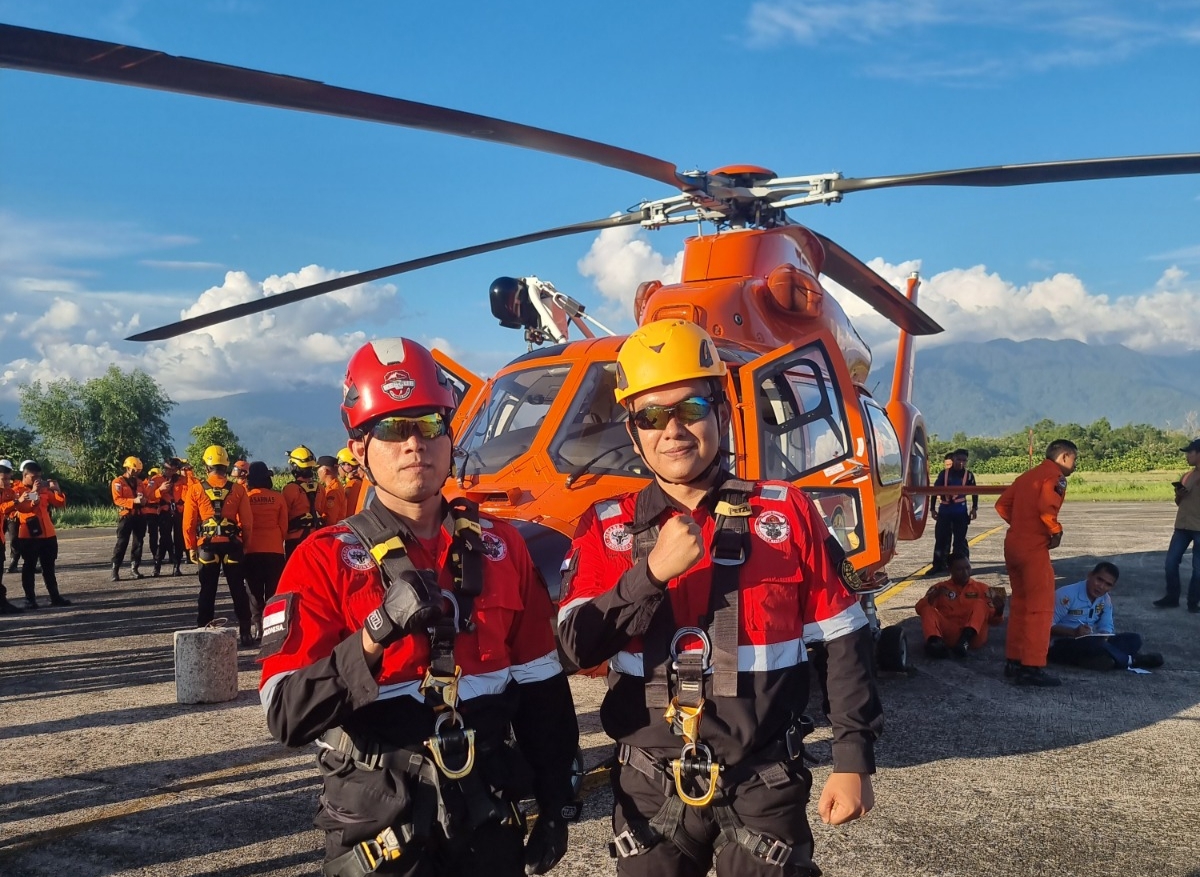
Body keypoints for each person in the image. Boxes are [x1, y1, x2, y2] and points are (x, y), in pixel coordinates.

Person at [558, 319, 882, 877]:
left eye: (691, 408)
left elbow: (845, 640)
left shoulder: (787, 514)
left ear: (722, 412)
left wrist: (854, 757)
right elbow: (573, 648)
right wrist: (649, 575)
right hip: (648, 788)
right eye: (651, 417)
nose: (673, 430)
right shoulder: (603, 528)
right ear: (634, 434)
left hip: (764, 781)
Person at [259, 337, 579, 877]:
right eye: (391, 428)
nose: (414, 444)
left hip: (486, 813)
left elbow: (541, 685)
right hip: (381, 825)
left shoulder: (503, 548)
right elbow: (286, 714)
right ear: (359, 449)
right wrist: (373, 636)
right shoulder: (322, 560)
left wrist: (554, 801)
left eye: (429, 424)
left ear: (450, 436)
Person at [995, 439, 1078, 688]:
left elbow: (1002, 505)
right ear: (1063, 457)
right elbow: (1046, 508)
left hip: (1013, 545)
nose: (1075, 464)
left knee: (1020, 604)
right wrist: (1055, 530)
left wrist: (1021, 523)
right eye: (1074, 458)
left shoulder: (1027, 476)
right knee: (1040, 609)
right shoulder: (1055, 478)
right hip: (1033, 549)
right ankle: (1031, 666)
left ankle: (1014, 660)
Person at [182, 444, 256, 647]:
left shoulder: (196, 490)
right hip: (233, 546)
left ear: (206, 466)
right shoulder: (239, 489)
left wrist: (190, 546)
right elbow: (247, 523)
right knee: (237, 589)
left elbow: (188, 522)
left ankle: (203, 630)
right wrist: (246, 545)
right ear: (226, 465)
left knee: (207, 589)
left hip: (207, 546)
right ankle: (245, 631)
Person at [1048, 562, 1163, 671]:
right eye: (1099, 580)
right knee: (1092, 644)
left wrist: (1104, 636)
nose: (1101, 587)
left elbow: (1106, 625)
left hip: (1091, 642)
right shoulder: (1066, 594)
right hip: (1061, 643)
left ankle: (1100, 659)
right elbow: (1044, 625)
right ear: (1090, 575)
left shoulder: (1105, 599)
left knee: (1134, 639)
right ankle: (1131, 660)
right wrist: (1073, 632)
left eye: (1108, 584)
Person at [12, 461, 71, 608]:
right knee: (29, 567)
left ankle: (55, 597)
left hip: (47, 533)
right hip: (29, 535)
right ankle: (30, 599)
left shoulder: (44, 489)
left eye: (39, 476)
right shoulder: (17, 490)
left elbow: (59, 503)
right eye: (34, 477)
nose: (37, 480)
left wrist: (57, 490)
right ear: (25, 475)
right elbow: (24, 508)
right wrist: (34, 490)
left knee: (49, 566)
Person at [242, 460, 288, 642]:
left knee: (253, 592)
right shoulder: (278, 497)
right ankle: (272, 628)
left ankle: (258, 627)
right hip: (274, 550)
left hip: (251, 549)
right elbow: (283, 526)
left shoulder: (246, 496)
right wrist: (277, 539)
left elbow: (243, 522)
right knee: (272, 591)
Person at [1153, 438, 1200, 612]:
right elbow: (1179, 502)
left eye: (1190, 452)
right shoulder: (1186, 475)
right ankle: (1172, 597)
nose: (1187, 456)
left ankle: (1193, 602)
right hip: (1182, 526)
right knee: (1170, 563)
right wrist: (1179, 494)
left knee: (1198, 569)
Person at [915, 551, 990, 658]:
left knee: (980, 604)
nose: (965, 572)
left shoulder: (984, 588)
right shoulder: (939, 587)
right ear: (950, 570)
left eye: (967, 568)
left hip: (974, 637)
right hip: (950, 634)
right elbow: (919, 609)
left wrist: (999, 609)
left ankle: (965, 641)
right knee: (928, 609)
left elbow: (997, 620)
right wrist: (931, 598)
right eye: (960, 569)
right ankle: (935, 643)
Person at [929, 449, 978, 572]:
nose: (961, 463)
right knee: (941, 540)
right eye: (958, 460)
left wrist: (974, 508)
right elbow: (935, 491)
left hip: (960, 513)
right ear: (953, 460)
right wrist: (932, 509)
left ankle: (961, 567)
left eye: (964, 460)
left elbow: (975, 492)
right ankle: (938, 565)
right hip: (944, 512)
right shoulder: (943, 474)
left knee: (960, 542)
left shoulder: (969, 475)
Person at [281, 445, 326, 561]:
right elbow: (321, 510)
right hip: (315, 537)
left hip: (295, 539)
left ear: (295, 467)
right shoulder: (320, 488)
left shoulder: (290, 489)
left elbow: (283, 516)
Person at [111, 455, 149, 581]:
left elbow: (146, 496)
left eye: (137, 471)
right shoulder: (118, 482)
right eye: (133, 470)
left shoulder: (140, 483)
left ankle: (134, 568)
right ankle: (115, 569)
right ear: (127, 468)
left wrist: (144, 501)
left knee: (138, 543)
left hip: (139, 515)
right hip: (126, 516)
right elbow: (117, 500)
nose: (135, 473)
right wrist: (134, 501)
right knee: (122, 543)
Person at [156, 458, 188, 577]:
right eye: (166, 469)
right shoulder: (157, 480)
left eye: (172, 470)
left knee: (179, 540)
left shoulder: (183, 480)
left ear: (177, 470)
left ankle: (177, 566)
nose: (168, 472)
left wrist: (188, 471)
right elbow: (149, 496)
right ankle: (157, 565)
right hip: (165, 512)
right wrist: (160, 490)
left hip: (179, 513)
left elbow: (192, 491)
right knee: (164, 539)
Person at [0, 459, 24, 614]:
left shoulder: (7, 491)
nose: (7, 482)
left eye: (8, 478)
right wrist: (15, 502)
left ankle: (2, 603)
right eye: (3, 479)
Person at [143, 466, 164, 575]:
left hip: (159, 511)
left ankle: (160, 555)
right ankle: (155, 555)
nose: (153, 476)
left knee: (164, 536)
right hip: (149, 513)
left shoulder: (162, 483)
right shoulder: (144, 484)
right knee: (153, 536)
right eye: (152, 474)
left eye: (155, 474)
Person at [317, 454, 347, 524]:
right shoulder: (335, 485)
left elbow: (330, 520)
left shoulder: (333, 491)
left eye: (317, 469)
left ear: (324, 471)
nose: (317, 472)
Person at [338, 446, 367, 514]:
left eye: (339, 465)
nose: (338, 469)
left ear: (348, 466)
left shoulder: (352, 484)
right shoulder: (360, 481)